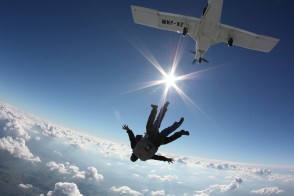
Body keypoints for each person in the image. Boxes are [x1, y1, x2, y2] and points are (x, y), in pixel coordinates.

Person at [122, 102, 189, 163]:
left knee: (169, 134)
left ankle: (180, 130)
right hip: (150, 136)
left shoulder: (145, 158)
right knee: (155, 123)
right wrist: (128, 129)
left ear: (137, 159)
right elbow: (131, 137)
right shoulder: (134, 148)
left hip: (158, 142)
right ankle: (157, 109)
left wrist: (166, 159)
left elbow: (157, 157)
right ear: (132, 155)